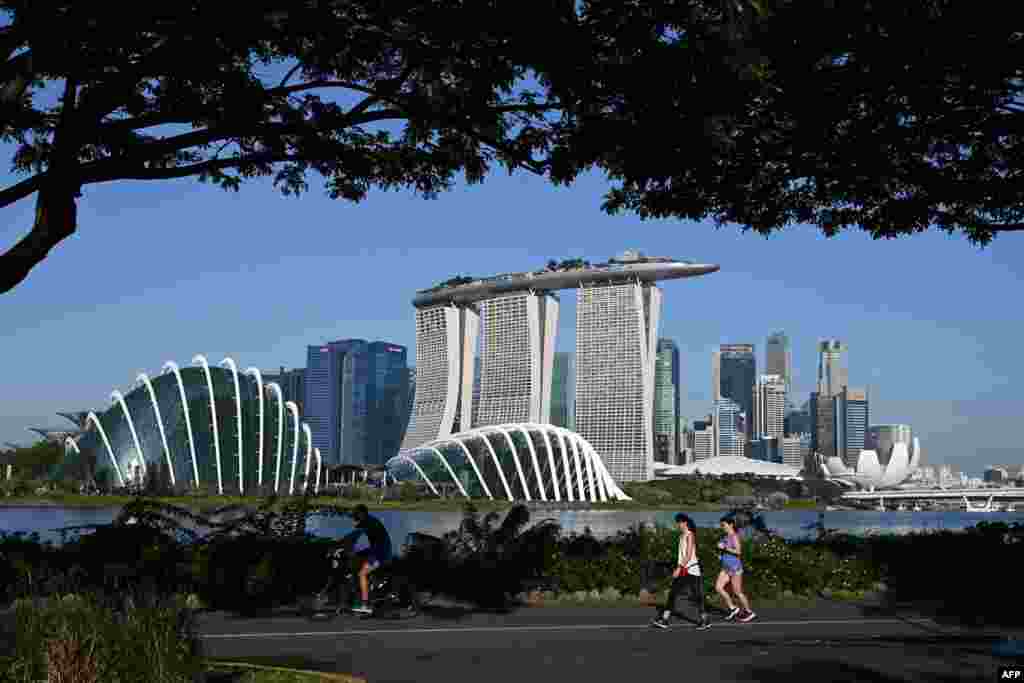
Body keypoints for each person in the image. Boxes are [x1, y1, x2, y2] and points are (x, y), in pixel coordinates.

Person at [651, 513, 711, 630]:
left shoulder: (690, 535)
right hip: (684, 569)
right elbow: (682, 555)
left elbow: (688, 555)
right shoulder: (681, 536)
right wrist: (680, 567)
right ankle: (664, 619)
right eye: (677, 523)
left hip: (692, 570)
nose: (678, 525)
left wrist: (679, 568)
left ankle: (705, 620)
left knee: (697, 596)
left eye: (679, 522)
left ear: (685, 523)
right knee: (673, 594)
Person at [341, 504, 392, 614]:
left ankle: (365, 604)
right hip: (375, 550)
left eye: (356, 514)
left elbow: (356, 536)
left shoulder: (370, 522)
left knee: (362, 574)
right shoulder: (367, 521)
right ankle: (369, 588)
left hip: (381, 553)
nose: (354, 516)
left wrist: (345, 546)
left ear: (362, 513)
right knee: (355, 561)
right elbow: (352, 536)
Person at [715, 515, 755, 622]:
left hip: (735, 568)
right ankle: (733, 608)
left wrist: (725, 548)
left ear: (731, 525)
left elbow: (738, 552)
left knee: (737, 592)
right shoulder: (725, 537)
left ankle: (749, 612)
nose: (722, 527)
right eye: (721, 525)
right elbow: (725, 550)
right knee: (718, 587)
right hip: (726, 567)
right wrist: (721, 554)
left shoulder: (734, 536)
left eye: (724, 525)